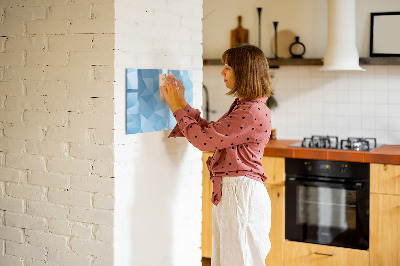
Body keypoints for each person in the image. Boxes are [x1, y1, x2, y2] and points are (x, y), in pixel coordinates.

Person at [161, 44, 273, 266]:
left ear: (244, 72)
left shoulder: (250, 111)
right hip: (236, 193)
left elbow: (204, 141)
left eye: (228, 67)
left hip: (241, 195)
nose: (222, 72)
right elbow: (212, 133)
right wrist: (182, 103)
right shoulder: (246, 106)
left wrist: (176, 108)